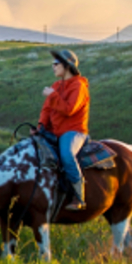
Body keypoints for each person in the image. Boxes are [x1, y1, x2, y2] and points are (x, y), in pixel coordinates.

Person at [30, 50, 90, 209]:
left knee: (66, 154)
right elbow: (47, 110)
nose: (53, 67)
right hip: (55, 131)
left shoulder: (79, 86)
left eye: (56, 64)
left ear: (67, 66)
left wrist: (52, 96)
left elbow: (69, 109)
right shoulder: (56, 86)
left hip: (74, 131)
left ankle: (79, 196)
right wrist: (40, 127)